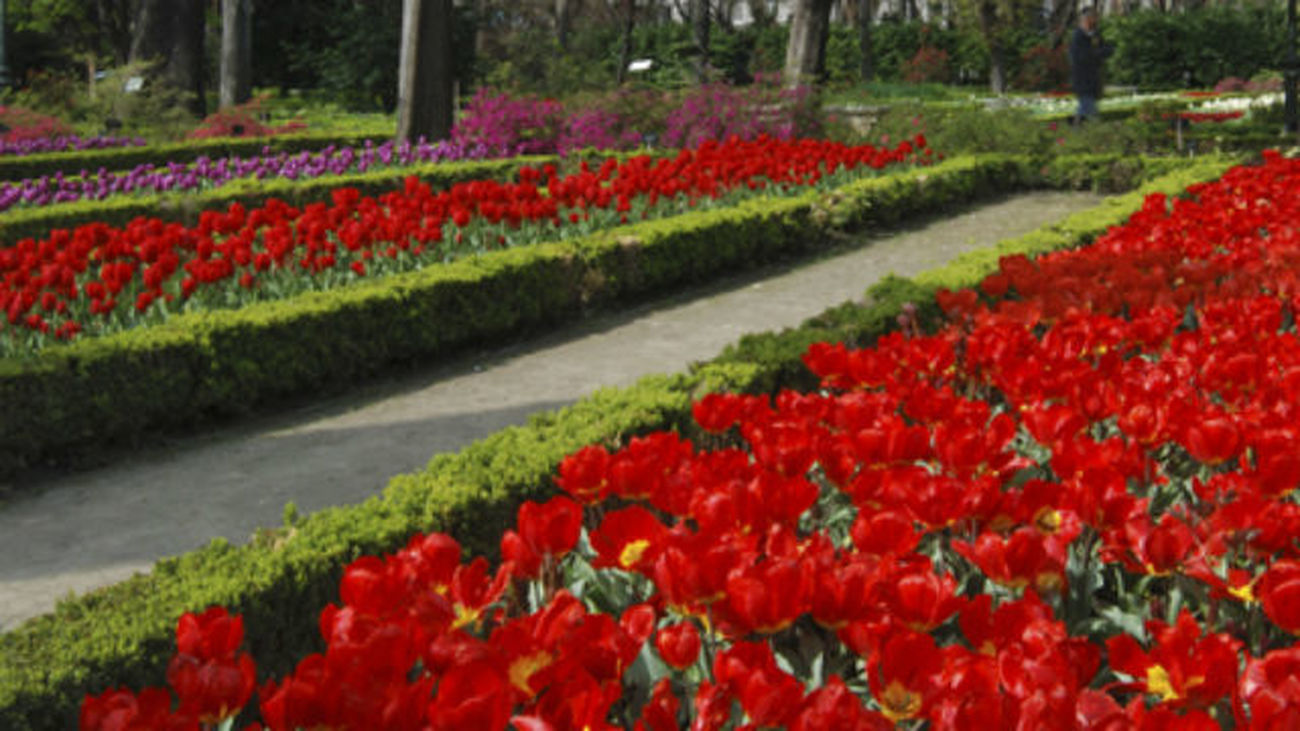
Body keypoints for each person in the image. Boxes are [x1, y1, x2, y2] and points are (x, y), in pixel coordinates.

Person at [1069, 7, 1113, 123]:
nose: (1095, 21)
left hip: (1094, 78)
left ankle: (1076, 129)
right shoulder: (1078, 37)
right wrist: (1098, 53)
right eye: (1093, 18)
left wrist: (1102, 52)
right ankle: (1086, 131)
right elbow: (1083, 57)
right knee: (1090, 110)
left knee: (1085, 109)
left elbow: (1106, 48)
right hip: (1083, 79)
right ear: (1086, 20)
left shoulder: (1095, 35)